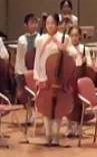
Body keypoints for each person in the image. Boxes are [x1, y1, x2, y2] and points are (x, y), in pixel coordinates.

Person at [33, 14, 76, 146]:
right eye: (47, 23)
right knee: (45, 106)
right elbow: (37, 59)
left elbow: (74, 54)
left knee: (58, 107)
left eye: (52, 23)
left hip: (59, 78)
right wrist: (37, 76)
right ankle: (48, 134)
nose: (50, 26)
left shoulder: (65, 38)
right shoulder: (40, 40)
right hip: (45, 77)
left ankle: (56, 135)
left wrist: (66, 49)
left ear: (57, 25)